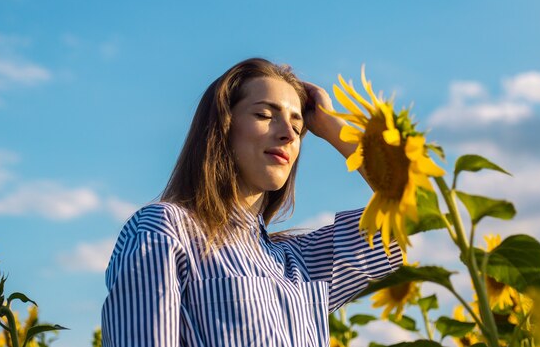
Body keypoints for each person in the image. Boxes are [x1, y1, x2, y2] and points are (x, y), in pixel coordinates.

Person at [101, 58, 403, 346]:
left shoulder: (299, 263)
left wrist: (330, 125)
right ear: (222, 127)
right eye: (264, 115)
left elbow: (408, 210)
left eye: (298, 129)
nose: (287, 134)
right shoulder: (166, 230)